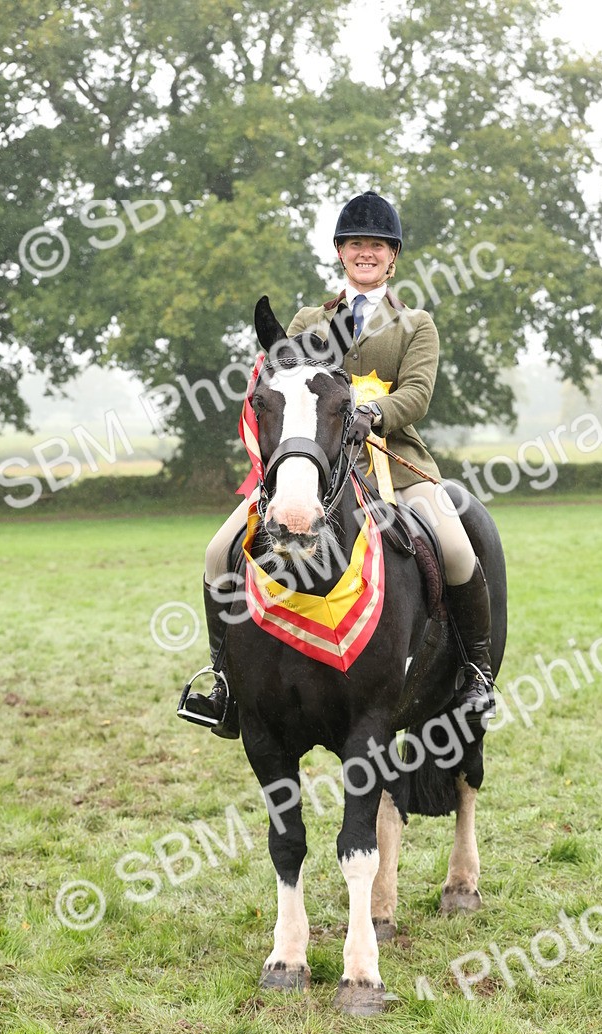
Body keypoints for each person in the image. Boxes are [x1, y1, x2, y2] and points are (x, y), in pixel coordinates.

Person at [180, 190, 494, 738]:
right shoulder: (308, 319)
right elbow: (284, 386)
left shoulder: (415, 324)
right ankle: (225, 684)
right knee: (216, 554)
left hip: (392, 461)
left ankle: (475, 674)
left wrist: (371, 414)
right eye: (355, 244)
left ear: (392, 256)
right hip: (313, 467)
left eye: (376, 245)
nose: (365, 253)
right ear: (340, 253)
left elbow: (417, 395)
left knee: (458, 548)